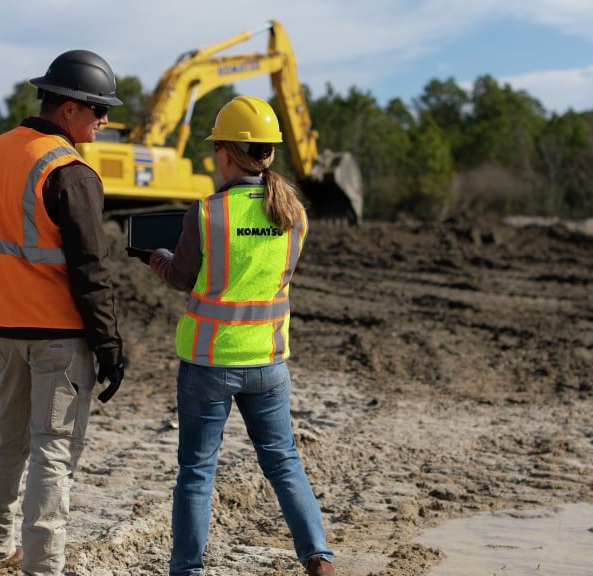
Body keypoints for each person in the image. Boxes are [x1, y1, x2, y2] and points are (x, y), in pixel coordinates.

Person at [142, 95, 337, 576]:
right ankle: (318, 558)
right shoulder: (294, 215)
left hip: (209, 363)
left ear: (226, 153)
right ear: (269, 152)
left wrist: (155, 257)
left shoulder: (207, 213)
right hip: (269, 362)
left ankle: (188, 571)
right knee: (284, 463)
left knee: (196, 474)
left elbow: (184, 277)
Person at [0, 49, 126, 576]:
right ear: (69, 109)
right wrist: (108, 345)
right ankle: (42, 568)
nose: (105, 120)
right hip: (58, 336)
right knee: (53, 453)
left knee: (8, 442)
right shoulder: (70, 170)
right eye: (98, 109)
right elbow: (90, 270)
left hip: (4, 327)